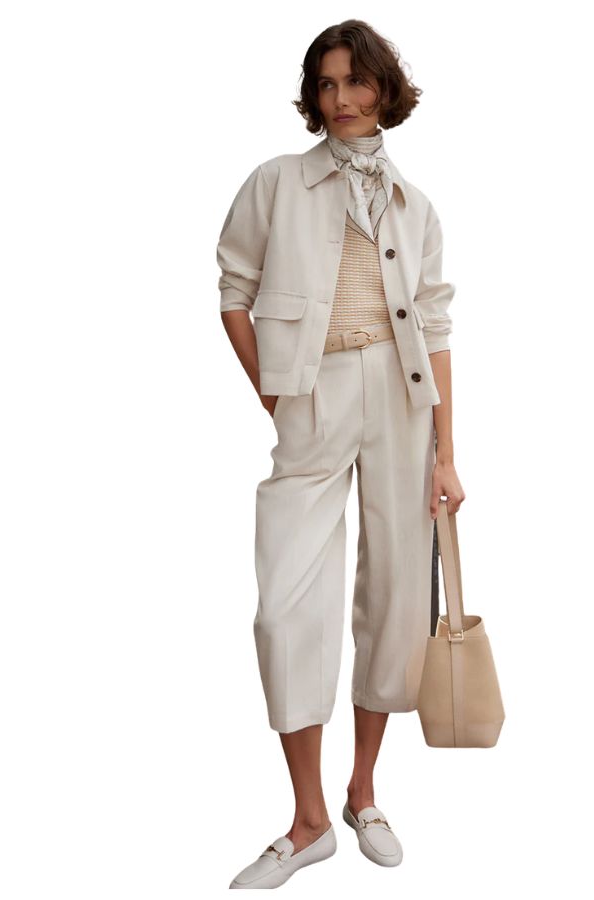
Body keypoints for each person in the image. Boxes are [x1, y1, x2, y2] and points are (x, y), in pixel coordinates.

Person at [218, 19, 465, 889]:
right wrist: (275, 393)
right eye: (326, 84)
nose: (342, 99)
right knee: (285, 606)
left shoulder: (414, 204)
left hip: (401, 399)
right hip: (312, 392)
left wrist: (445, 454)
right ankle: (308, 818)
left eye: (356, 82)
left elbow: (435, 327)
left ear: (384, 89)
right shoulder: (277, 183)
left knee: (394, 598)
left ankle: (363, 793)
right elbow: (233, 288)